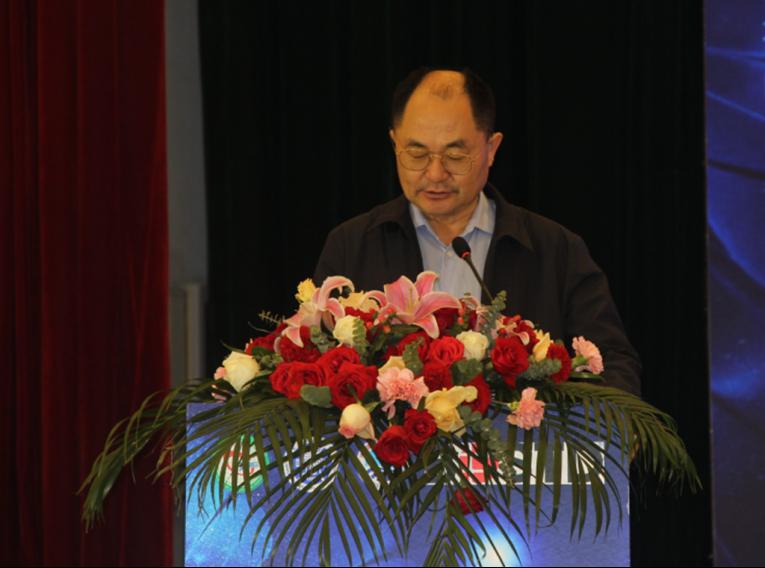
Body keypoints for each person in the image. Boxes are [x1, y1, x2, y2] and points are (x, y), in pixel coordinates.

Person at [314, 67, 641, 396]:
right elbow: (314, 368)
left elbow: (613, 367)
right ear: (394, 143)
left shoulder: (555, 250)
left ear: (491, 148)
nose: (435, 173)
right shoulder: (351, 247)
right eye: (417, 154)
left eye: (455, 155)